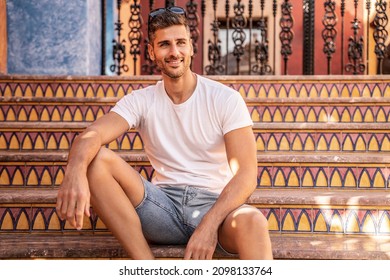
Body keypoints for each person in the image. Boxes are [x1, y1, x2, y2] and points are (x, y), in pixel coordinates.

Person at [56, 6, 273, 260]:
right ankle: (148, 269)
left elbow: (247, 175)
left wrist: (209, 225)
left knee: (254, 221)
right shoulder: (141, 100)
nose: (174, 52)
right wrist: (75, 169)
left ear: (191, 47)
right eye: (164, 44)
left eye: (181, 43)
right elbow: (91, 136)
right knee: (96, 160)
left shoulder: (225, 99)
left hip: (215, 206)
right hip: (161, 207)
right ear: (151, 51)